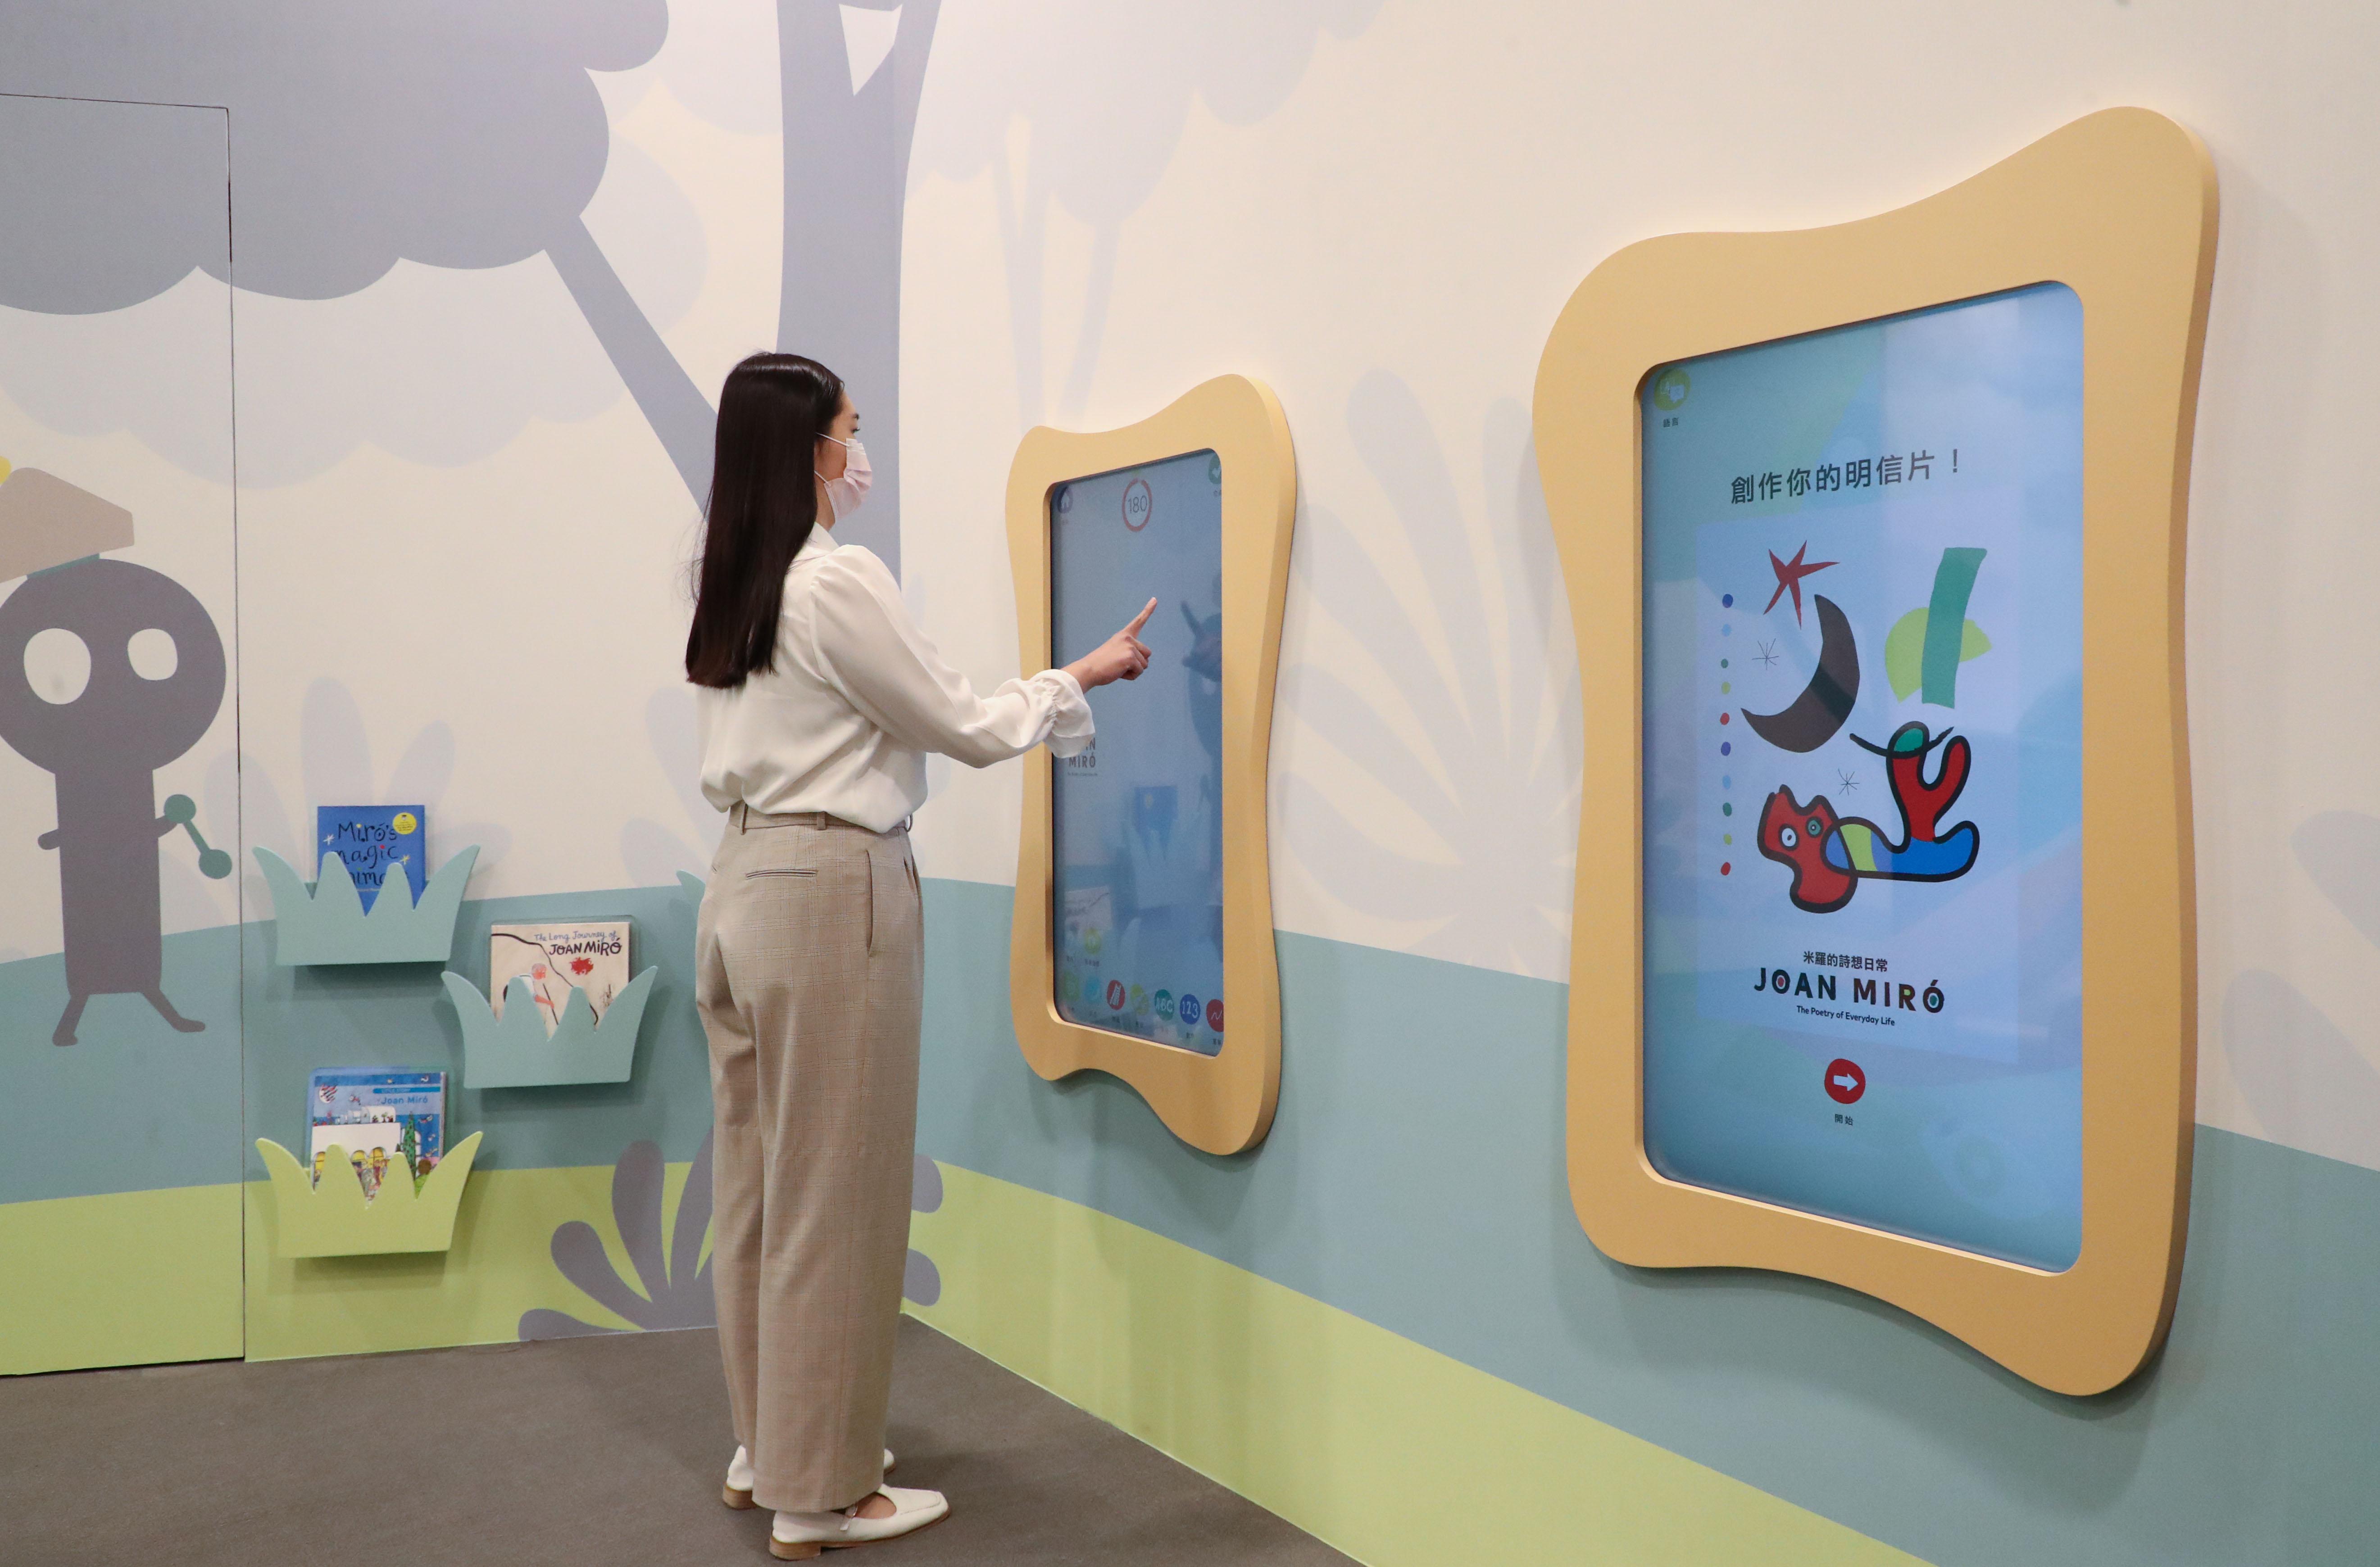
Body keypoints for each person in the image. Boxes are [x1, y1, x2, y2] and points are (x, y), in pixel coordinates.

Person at [685, 352, 1154, 1560]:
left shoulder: (730, 583)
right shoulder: (835, 583)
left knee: (761, 1185)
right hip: (830, 886)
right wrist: (1072, 681)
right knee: (837, 1195)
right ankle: (825, 1492)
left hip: (741, 884)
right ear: (807, 451)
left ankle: (770, 1447)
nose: (860, 453)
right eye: (849, 431)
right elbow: (958, 721)